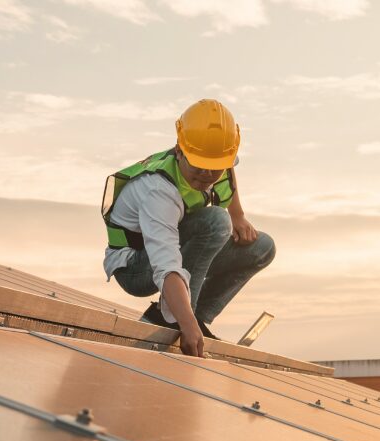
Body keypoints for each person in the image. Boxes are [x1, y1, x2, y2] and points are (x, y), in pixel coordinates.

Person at [101, 99, 276, 357]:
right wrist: (185, 323)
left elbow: (228, 168)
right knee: (215, 222)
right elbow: (166, 264)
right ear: (179, 150)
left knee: (262, 248)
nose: (206, 175)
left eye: (214, 168)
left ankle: (199, 320)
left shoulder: (215, 156)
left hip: (178, 248)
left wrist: (238, 214)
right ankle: (172, 317)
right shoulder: (158, 189)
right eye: (198, 166)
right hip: (136, 266)